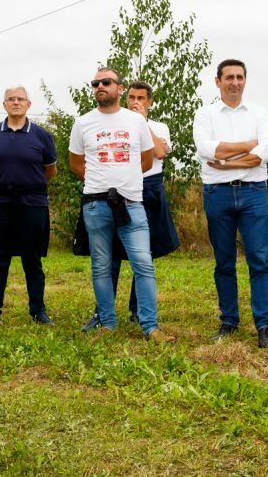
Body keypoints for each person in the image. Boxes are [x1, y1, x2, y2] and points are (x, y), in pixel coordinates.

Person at [68, 67, 174, 343]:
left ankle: (150, 327)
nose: (100, 86)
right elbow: (76, 163)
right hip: (95, 204)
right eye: (95, 83)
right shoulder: (83, 123)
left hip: (131, 203)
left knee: (143, 263)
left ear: (119, 88)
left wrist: (124, 179)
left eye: (106, 82)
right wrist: (99, 180)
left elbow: (147, 160)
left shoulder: (135, 121)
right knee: (101, 266)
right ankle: (107, 323)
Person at [193, 59, 268, 348]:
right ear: (217, 81)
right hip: (217, 194)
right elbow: (206, 149)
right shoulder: (205, 115)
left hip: (253, 193)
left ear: (245, 81)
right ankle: (229, 320)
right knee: (224, 261)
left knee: (260, 260)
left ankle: (264, 325)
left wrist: (227, 163)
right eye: (229, 77)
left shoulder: (259, 112)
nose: (235, 82)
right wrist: (249, 146)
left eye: (240, 77)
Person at [0, 85, 57, 325]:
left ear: (28, 104)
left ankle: (38, 311)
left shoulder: (42, 135)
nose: (15, 102)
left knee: (32, 259)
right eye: (11, 99)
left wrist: (28, 183)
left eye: (20, 99)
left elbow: (50, 170)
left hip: (32, 202)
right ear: (4, 105)